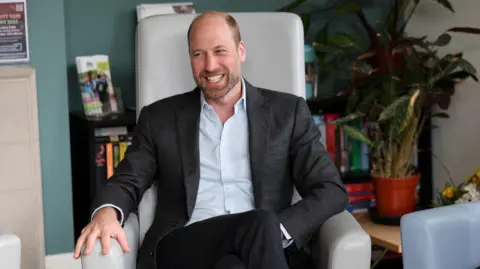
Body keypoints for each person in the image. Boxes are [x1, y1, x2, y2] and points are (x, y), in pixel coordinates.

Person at [73, 10, 348, 269]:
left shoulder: (287, 113)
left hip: (262, 247)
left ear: (241, 51)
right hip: (183, 245)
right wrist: (107, 212)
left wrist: (281, 229)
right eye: (198, 54)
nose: (210, 65)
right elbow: (128, 179)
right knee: (261, 224)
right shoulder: (159, 118)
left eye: (220, 51)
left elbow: (330, 189)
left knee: (237, 261)